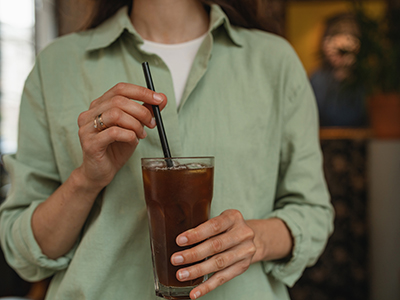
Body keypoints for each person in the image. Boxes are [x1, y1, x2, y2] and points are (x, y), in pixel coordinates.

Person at [0, 0, 334, 299]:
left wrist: (255, 238)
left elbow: (313, 214)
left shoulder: (275, 61)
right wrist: (87, 180)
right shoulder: (57, 65)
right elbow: (25, 253)